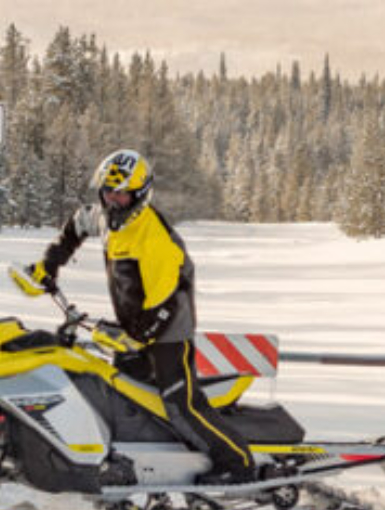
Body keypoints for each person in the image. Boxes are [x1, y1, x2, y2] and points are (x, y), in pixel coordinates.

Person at [14, 148, 257, 485]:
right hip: (135, 326)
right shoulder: (105, 216)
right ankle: (141, 464)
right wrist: (50, 263)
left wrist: (138, 337)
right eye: (108, 193)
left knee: (180, 402)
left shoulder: (153, 236)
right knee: (127, 397)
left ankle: (238, 464)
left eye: (122, 194)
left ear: (140, 194)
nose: (114, 201)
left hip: (169, 330)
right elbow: (76, 225)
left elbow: (165, 302)